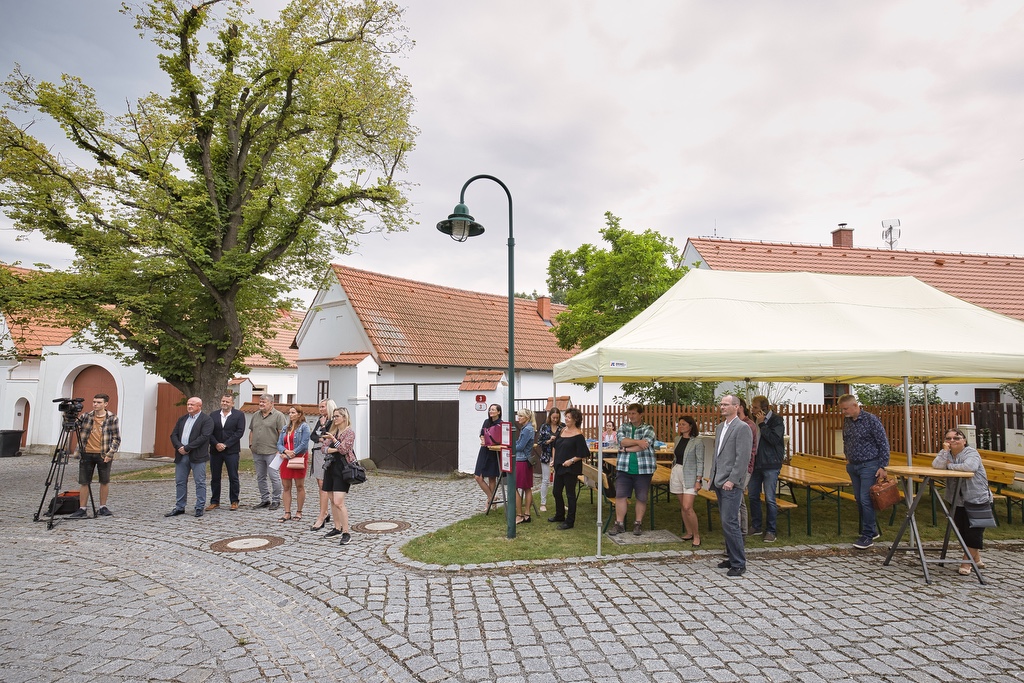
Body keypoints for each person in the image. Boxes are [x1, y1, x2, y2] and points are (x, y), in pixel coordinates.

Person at [932, 428, 992, 575]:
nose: (952, 441)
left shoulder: (971, 453)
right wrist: (945, 453)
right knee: (962, 530)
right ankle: (975, 558)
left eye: (956, 438)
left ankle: (967, 562)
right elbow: (936, 466)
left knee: (974, 531)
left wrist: (950, 466)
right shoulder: (945, 453)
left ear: (964, 441)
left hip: (977, 497)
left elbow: (969, 467)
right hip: (956, 498)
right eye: (948, 438)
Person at [838, 394, 890, 549]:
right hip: (853, 465)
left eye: (845, 408)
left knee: (865, 498)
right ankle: (872, 530)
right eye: (842, 409)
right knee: (859, 499)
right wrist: (848, 458)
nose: (844, 412)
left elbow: (883, 443)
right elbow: (846, 440)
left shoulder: (871, 420)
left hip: (870, 464)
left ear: (855, 405)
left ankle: (867, 535)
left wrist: (883, 466)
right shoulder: (847, 420)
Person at [710, 394, 752, 577]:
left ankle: (739, 562)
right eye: (721, 404)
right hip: (719, 480)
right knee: (726, 521)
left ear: (737, 406)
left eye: (726, 404)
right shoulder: (721, 427)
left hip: (731, 483)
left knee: (731, 521)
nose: (722, 407)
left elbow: (743, 458)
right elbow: (718, 455)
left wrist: (732, 480)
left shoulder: (742, 428)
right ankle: (731, 556)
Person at [68, 394, 121, 519]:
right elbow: (71, 427)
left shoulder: (112, 418)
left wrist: (110, 453)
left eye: (98, 402)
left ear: (105, 404)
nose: (95, 404)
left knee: (104, 481)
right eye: (94, 402)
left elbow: (116, 438)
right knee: (84, 481)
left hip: (103, 454)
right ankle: (82, 508)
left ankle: (102, 506)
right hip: (86, 453)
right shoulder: (86, 416)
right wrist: (68, 414)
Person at [610, 403, 657, 537]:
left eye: (633, 413)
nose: (631, 416)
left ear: (641, 414)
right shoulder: (623, 427)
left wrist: (626, 449)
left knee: (641, 497)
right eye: (629, 413)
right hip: (624, 467)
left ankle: (638, 523)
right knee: (620, 496)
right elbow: (622, 441)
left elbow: (645, 445)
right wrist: (637, 442)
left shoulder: (648, 428)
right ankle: (619, 523)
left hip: (644, 469)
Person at [167, 396, 215, 517]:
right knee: (180, 481)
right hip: (181, 455)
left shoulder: (206, 420)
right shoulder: (182, 419)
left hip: (197, 456)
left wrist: (187, 448)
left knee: (200, 482)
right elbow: (174, 435)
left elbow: (204, 437)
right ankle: (180, 506)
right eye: (188, 404)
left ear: (199, 406)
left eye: (192, 404)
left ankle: (199, 507)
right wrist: (179, 447)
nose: (189, 406)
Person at [748, 395, 786, 543]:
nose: (753, 409)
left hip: (771, 463)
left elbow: (774, 439)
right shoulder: (753, 421)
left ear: (764, 408)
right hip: (756, 462)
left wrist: (763, 424)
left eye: (755, 407)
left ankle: (771, 530)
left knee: (770, 498)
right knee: (753, 495)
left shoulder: (777, 420)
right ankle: (756, 526)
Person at [321, 407, 357, 545]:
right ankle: (337, 527)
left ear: (344, 417)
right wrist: (334, 445)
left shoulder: (349, 433)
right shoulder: (333, 431)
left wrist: (333, 441)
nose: (334, 419)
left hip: (343, 468)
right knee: (331, 499)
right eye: (334, 416)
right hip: (330, 467)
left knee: (339, 502)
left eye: (337, 416)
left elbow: (344, 450)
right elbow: (323, 448)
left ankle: (346, 532)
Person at [549, 407, 588, 529]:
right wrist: (554, 460)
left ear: (575, 419)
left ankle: (570, 521)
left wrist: (571, 461)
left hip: (571, 469)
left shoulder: (578, 435)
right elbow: (555, 446)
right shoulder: (562, 430)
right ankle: (560, 514)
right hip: (559, 466)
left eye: (569, 417)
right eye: (565, 416)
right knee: (556, 492)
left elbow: (583, 453)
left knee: (570, 494)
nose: (566, 418)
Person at [670, 415, 705, 547]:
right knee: (682, 506)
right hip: (678, 472)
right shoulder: (677, 439)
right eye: (679, 424)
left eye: (683, 424)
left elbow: (700, 462)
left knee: (687, 506)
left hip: (690, 475)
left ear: (690, 426)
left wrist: (698, 479)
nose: (680, 426)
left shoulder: (697, 442)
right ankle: (689, 532)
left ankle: (697, 535)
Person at [207, 392, 245, 511]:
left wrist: (226, 444)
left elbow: (239, 432)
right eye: (223, 401)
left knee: (233, 476)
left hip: (231, 451)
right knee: (215, 477)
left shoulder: (239, 415)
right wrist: (216, 444)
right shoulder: (213, 415)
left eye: (227, 401)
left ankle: (234, 501)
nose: (224, 403)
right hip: (215, 450)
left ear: (232, 403)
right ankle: (214, 501)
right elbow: (209, 432)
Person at [249, 394, 287, 510]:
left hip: (272, 451)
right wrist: (250, 444)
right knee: (260, 477)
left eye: (264, 402)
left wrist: (280, 450)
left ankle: (276, 500)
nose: (261, 404)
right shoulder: (256, 415)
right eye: (260, 402)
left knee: (273, 476)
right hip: (257, 451)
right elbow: (252, 431)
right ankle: (264, 499)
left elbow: (283, 434)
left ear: (271, 403)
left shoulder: (278, 416)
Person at [276, 406, 310, 522]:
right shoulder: (286, 428)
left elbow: (304, 444)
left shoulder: (304, 427)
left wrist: (293, 453)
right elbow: (279, 443)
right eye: (289, 413)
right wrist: (285, 451)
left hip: (299, 458)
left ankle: (299, 511)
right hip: (285, 458)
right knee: (286, 486)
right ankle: (287, 512)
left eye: (293, 412)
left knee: (299, 486)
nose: (290, 415)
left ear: (299, 414)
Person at [308, 398, 337, 530]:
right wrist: (320, 437)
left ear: (329, 407)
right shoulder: (320, 420)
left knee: (325, 484)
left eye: (323, 407)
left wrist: (323, 428)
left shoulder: (333, 421)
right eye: (319, 407)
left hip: (328, 454)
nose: (321, 409)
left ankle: (324, 514)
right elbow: (313, 436)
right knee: (320, 483)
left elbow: (330, 436)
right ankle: (324, 512)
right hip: (318, 453)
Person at [736, 398, 759, 536]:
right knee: (739, 501)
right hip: (736, 468)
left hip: (744, 468)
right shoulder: (734, 424)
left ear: (740, 407)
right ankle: (741, 534)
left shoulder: (748, 425)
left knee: (736, 502)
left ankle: (738, 535)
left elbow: (746, 450)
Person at [473, 404, 503, 510]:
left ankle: (489, 503)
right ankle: (491, 497)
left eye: (493, 410)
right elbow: (482, 434)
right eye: (490, 409)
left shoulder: (501, 424)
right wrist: (482, 440)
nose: (491, 411)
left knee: (491, 477)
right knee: (478, 476)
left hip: (494, 452)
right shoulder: (486, 422)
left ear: (498, 412)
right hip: (484, 450)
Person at [537, 408, 564, 513]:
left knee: (559, 481)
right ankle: (543, 503)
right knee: (545, 480)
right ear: (550, 417)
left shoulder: (562, 427)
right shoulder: (544, 426)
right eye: (553, 417)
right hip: (546, 455)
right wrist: (549, 441)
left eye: (557, 418)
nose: (555, 420)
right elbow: (540, 442)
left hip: (559, 456)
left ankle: (560, 503)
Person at [513, 408, 537, 524]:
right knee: (527, 488)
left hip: (522, 460)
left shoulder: (527, 429)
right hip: (525, 460)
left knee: (515, 487)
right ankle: (527, 514)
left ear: (527, 417)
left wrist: (510, 446)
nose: (519, 418)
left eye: (521, 416)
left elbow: (520, 446)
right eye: (518, 416)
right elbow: (520, 443)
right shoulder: (528, 428)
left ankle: (520, 514)